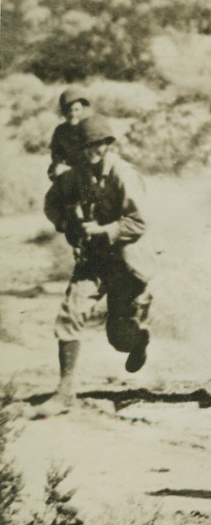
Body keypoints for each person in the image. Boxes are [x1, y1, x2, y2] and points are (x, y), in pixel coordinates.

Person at [41, 115, 152, 414]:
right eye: (87, 146)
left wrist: (104, 230)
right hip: (94, 259)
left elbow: (138, 223)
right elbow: (51, 202)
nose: (93, 151)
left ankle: (138, 340)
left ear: (108, 144)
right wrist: (67, 224)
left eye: (98, 144)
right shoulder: (77, 175)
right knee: (70, 314)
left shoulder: (123, 174)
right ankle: (65, 392)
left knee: (120, 337)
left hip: (125, 262)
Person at [48, 87, 91, 180]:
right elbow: (56, 154)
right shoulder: (60, 131)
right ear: (63, 112)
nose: (73, 114)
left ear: (83, 110)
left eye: (76, 110)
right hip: (70, 173)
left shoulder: (90, 128)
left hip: (90, 171)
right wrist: (58, 165)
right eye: (69, 110)